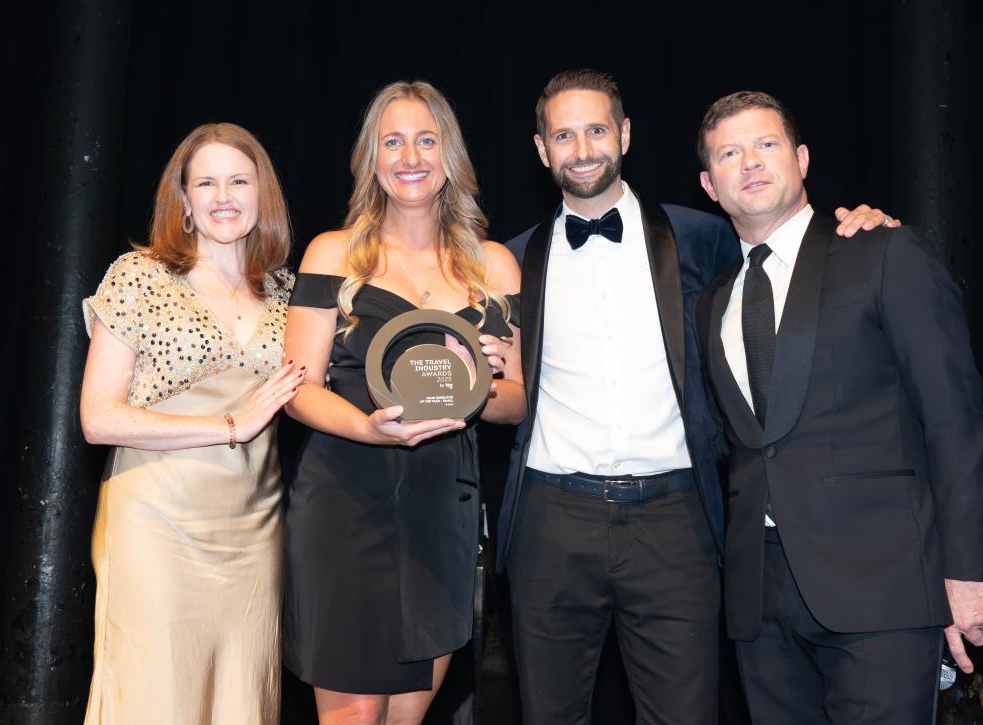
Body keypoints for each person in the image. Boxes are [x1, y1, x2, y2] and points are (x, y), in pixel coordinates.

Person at [498, 68, 895, 724]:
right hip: (551, 520)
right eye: (564, 135)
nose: (583, 148)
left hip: (675, 520)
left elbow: (791, 252)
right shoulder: (511, 260)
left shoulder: (702, 236)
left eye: (597, 129)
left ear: (625, 134)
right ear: (542, 149)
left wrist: (859, 223)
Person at [693, 91, 983, 724]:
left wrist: (969, 568)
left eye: (767, 144)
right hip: (761, 603)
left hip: (882, 586)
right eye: (729, 154)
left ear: (802, 159)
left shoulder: (884, 251)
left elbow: (955, 418)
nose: (750, 162)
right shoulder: (713, 303)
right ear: (709, 184)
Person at [281, 80, 524, 725]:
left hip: (442, 508)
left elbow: (516, 403)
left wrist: (481, 386)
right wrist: (369, 428)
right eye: (392, 141)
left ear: (450, 156)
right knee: (354, 714)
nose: (410, 156)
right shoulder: (332, 253)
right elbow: (298, 390)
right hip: (345, 497)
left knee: (407, 716)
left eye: (426, 140)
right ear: (372, 157)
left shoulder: (494, 266)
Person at [79, 122, 301, 724]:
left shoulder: (288, 292)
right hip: (156, 522)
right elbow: (97, 419)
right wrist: (231, 424)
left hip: (254, 528)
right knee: (155, 699)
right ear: (183, 199)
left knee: (242, 701)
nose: (223, 197)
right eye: (206, 183)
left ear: (263, 194)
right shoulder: (139, 275)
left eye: (239, 182)